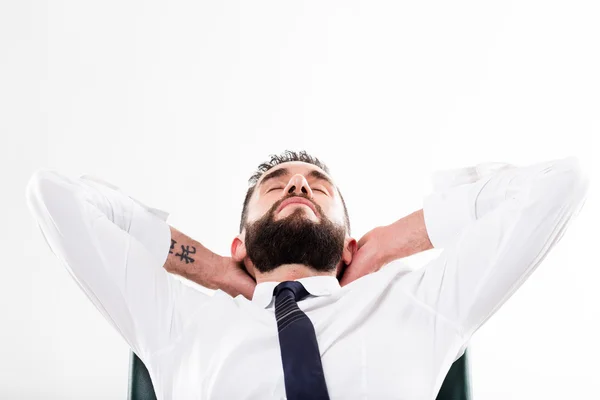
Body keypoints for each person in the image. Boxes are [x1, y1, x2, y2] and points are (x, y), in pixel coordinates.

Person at [25, 150, 589, 399]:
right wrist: (214, 271)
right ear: (240, 242)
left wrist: (392, 242)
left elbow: (561, 182)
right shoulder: (177, 322)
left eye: (317, 184)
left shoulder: (420, 305)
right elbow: (53, 196)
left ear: (347, 243)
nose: (298, 185)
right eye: (277, 184)